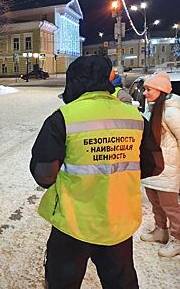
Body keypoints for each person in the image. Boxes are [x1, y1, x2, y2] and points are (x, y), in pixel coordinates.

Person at [30, 55, 164, 288]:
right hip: (118, 222)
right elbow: (154, 165)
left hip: (73, 224)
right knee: (121, 282)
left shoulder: (63, 118)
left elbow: (44, 175)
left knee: (63, 282)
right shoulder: (134, 117)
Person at [140, 72, 180, 257]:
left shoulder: (171, 112)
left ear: (161, 91)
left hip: (169, 168)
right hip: (153, 167)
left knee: (170, 207)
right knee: (156, 203)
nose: (144, 93)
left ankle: (177, 238)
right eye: (145, 89)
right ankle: (160, 231)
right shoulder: (151, 110)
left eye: (149, 90)